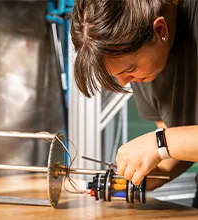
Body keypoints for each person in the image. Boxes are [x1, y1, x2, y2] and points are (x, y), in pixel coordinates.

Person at [70, 0, 198, 207]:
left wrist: (161, 142)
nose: (124, 82)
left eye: (130, 68)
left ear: (160, 30)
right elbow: (181, 149)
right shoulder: (142, 70)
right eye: (116, 75)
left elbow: (169, 141)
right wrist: (154, 172)